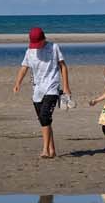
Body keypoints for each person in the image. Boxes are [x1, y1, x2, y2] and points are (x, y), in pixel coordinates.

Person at [12, 27, 71, 159]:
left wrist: (66, 87)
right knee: (45, 121)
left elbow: (63, 66)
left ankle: (45, 150)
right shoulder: (29, 52)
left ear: (44, 38)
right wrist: (17, 83)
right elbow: (24, 67)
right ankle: (52, 150)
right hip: (37, 90)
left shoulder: (54, 47)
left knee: (44, 117)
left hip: (52, 87)